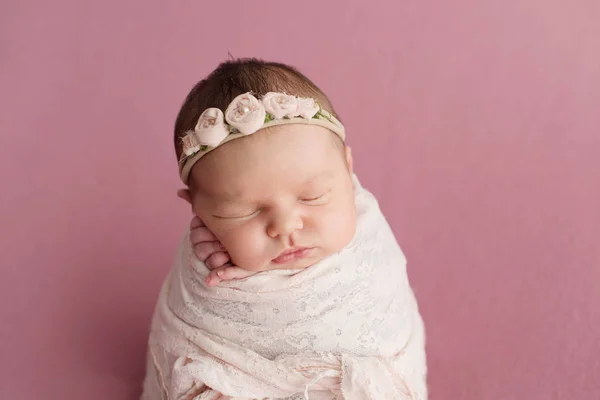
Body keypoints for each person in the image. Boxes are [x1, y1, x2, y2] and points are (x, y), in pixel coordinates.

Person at [142, 58, 427, 399]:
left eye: (313, 196)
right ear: (198, 210)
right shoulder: (206, 263)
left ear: (347, 169)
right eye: (243, 213)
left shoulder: (368, 236)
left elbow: (384, 314)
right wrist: (217, 267)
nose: (286, 226)